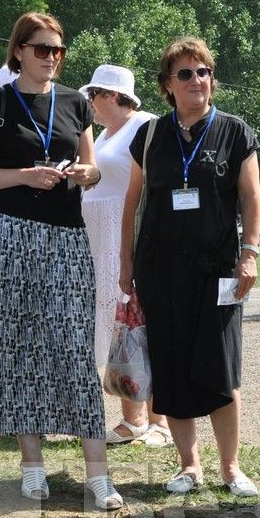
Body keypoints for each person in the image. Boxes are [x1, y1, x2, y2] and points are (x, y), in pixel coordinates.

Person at [0, 12, 123, 509]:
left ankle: (98, 475)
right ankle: (32, 468)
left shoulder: (75, 103)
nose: (51, 57)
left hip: (66, 238)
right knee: (18, 348)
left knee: (72, 348)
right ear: (19, 52)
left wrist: (85, 175)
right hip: (6, 235)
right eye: (42, 48)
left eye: (58, 49)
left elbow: (90, 166)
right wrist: (24, 176)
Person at [118, 36, 260, 498]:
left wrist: (251, 252)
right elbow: (133, 201)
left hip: (218, 268)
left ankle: (231, 467)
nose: (196, 81)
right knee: (173, 365)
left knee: (221, 367)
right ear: (167, 85)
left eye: (203, 72)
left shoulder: (236, 131)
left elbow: (252, 198)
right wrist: (126, 262)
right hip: (160, 269)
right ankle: (189, 466)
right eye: (185, 73)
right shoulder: (151, 135)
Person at [77, 63, 170, 448]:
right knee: (122, 326)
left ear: (113, 96)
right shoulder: (103, 135)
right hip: (100, 240)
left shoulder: (145, 125)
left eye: (94, 96)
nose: (90, 105)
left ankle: (160, 422)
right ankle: (131, 419)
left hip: (126, 233)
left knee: (144, 323)